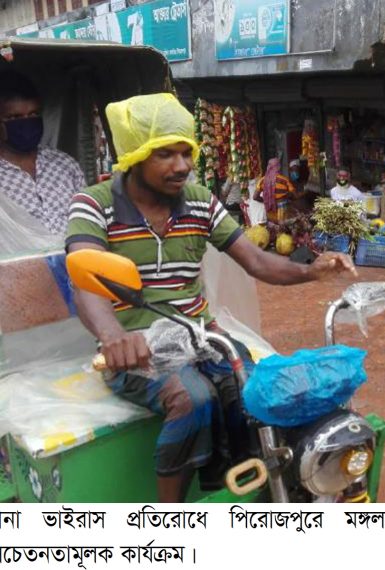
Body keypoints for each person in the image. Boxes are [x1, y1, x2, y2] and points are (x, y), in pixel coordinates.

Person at [65, 93, 357, 502]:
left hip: (202, 336)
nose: (182, 165)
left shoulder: (201, 201)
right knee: (192, 399)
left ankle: (244, 490)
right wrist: (114, 336)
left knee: (254, 391)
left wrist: (312, 270)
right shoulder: (94, 204)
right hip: (136, 346)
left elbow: (256, 260)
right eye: (165, 154)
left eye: (186, 153)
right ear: (135, 156)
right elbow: (86, 278)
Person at [0, 69, 85, 235]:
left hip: (75, 251)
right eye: (15, 117)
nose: (27, 122)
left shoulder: (64, 164)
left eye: (33, 114)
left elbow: (89, 217)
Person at [253, 157, 296, 223]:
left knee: (273, 227)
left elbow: (255, 197)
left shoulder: (262, 180)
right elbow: (293, 194)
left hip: (269, 208)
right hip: (282, 207)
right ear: (278, 167)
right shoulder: (284, 180)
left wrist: (266, 200)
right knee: (284, 226)